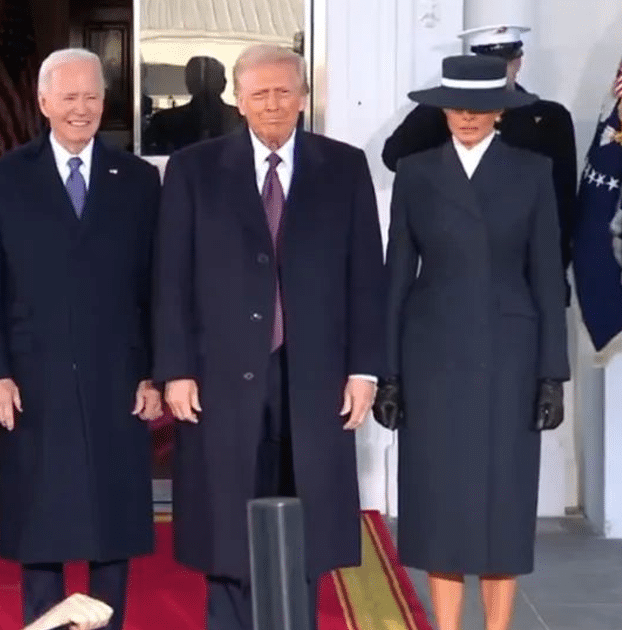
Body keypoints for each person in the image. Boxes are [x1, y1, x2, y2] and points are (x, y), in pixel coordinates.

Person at [151, 43, 386, 630]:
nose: (273, 104)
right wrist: (175, 369)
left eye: (285, 91)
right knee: (227, 524)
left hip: (314, 377)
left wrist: (365, 370)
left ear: (304, 96)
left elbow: (366, 276)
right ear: (237, 99)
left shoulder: (345, 165)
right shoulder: (195, 169)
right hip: (220, 378)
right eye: (260, 93)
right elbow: (170, 278)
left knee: (307, 524)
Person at [0, 47, 164, 630]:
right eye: (69, 97)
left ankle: (110, 624)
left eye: (93, 97)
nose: (82, 109)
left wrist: (155, 371)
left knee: (113, 524)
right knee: (39, 526)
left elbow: (155, 285)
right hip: (31, 379)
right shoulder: (2, 179)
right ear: (44, 102)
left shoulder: (136, 179)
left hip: (118, 378)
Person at [373, 55, 568, 630]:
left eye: (480, 107)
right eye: (457, 106)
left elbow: (549, 276)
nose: (466, 117)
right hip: (430, 355)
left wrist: (552, 374)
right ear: (442, 108)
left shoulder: (532, 172)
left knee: (504, 500)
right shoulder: (416, 171)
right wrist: (389, 374)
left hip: (511, 356)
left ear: (499, 112)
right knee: (439, 503)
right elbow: (396, 276)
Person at [381, 25, 578, 285]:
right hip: (456, 263)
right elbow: (394, 156)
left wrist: (553, 271)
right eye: (489, 62)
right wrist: (445, 101)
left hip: (523, 266)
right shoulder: (451, 113)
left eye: (506, 61)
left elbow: (562, 199)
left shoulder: (549, 117)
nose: (498, 70)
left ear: (518, 61)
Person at [142, 56, 243, 154]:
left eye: (211, 79)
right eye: (198, 80)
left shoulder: (165, 120)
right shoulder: (242, 120)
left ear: (188, 84)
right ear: (223, 84)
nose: (205, 89)